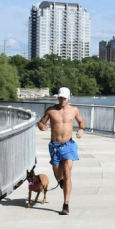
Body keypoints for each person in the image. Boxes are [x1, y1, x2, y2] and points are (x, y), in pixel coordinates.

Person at [37, 87, 85, 215]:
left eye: (64, 98)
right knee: (59, 175)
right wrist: (43, 127)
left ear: (69, 98)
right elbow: (40, 123)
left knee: (67, 173)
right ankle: (61, 181)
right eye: (60, 97)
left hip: (68, 145)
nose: (62, 100)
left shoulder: (74, 110)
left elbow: (81, 122)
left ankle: (66, 204)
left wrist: (81, 130)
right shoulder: (51, 110)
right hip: (55, 146)